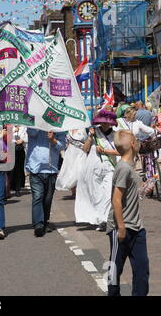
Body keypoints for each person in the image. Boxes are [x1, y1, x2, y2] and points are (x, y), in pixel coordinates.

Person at [107, 130, 149, 296]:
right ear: (132, 144)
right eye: (136, 140)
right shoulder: (123, 168)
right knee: (114, 269)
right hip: (121, 227)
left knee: (142, 268)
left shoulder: (129, 167)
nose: (138, 142)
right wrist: (121, 227)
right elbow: (116, 199)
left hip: (137, 227)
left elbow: (131, 194)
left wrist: (144, 189)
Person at [75, 109, 120, 231]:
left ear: (111, 123)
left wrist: (105, 151)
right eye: (103, 122)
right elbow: (85, 149)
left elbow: (120, 152)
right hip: (93, 168)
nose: (105, 124)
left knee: (107, 194)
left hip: (109, 168)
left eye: (107, 122)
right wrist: (90, 137)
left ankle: (105, 220)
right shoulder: (94, 132)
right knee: (96, 195)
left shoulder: (116, 135)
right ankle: (99, 218)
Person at [26, 129, 66, 237]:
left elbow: (62, 147)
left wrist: (53, 140)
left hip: (51, 169)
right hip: (36, 168)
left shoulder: (59, 127)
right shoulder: (33, 124)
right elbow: (31, 132)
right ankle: (38, 225)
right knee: (38, 196)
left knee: (47, 199)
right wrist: (40, 126)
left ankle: (45, 221)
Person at [56, 128, 88, 198]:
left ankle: (80, 192)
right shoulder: (69, 129)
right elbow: (67, 142)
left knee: (79, 172)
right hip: (70, 153)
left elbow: (86, 142)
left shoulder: (82, 129)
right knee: (70, 171)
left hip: (80, 153)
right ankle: (73, 192)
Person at [10, 125, 28, 197]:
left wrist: (22, 140)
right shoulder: (10, 126)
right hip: (10, 149)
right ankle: (9, 188)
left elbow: (27, 136)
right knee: (10, 170)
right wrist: (13, 130)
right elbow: (5, 136)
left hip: (20, 149)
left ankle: (18, 188)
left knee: (19, 169)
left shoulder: (24, 127)